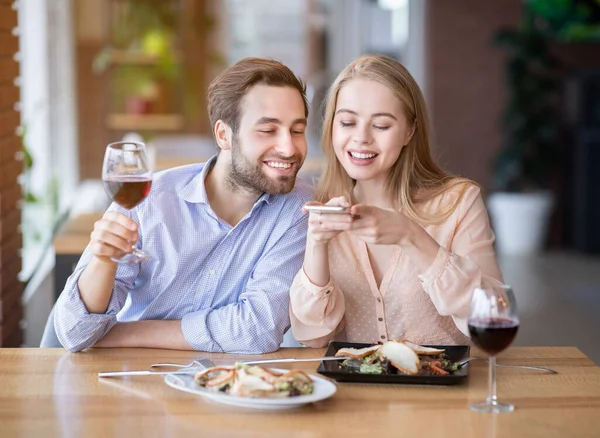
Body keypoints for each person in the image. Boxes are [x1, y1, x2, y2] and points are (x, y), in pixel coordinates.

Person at [55, 58, 313, 353]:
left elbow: (257, 331)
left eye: (296, 130)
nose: (289, 147)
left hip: (228, 387)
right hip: (130, 382)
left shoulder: (299, 210)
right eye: (268, 130)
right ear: (223, 135)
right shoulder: (147, 202)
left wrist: (127, 334)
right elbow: (75, 333)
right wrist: (104, 260)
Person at [289, 54, 504, 347]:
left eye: (381, 125)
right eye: (348, 122)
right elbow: (313, 339)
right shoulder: (315, 208)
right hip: (354, 390)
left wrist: (411, 236)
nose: (361, 138)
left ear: (409, 130)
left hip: (443, 390)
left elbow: (492, 323)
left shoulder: (458, 203)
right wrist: (316, 244)